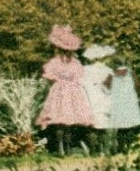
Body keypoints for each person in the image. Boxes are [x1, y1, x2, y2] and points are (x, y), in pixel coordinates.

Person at [36, 24, 96, 152]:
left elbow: (49, 76)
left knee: (63, 121)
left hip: (64, 91)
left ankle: (63, 147)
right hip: (70, 91)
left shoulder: (59, 62)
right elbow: (79, 75)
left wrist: (58, 82)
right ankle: (64, 147)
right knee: (65, 121)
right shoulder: (71, 62)